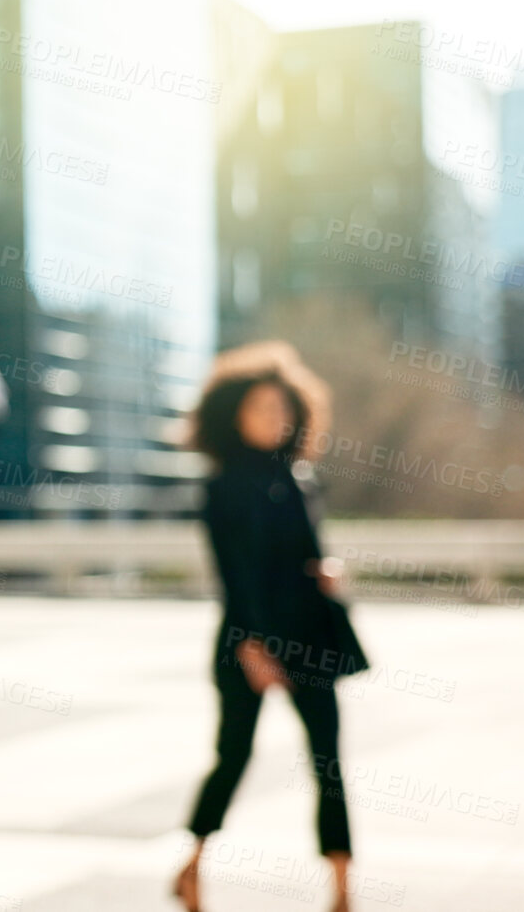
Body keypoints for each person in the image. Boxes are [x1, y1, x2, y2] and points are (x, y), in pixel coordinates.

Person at [173, 341, 365, 912]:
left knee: (328, 759)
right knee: (233, 755)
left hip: (310, 632)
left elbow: (306, 556)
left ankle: (342, 887)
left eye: (282, 410)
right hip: (246, 638)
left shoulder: (302, 480)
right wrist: (253, 644)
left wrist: (330, 574)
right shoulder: (223, 487)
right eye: (260, 409)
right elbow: (234, 575)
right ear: (232, 415)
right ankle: (193, 864)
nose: (274, 419)